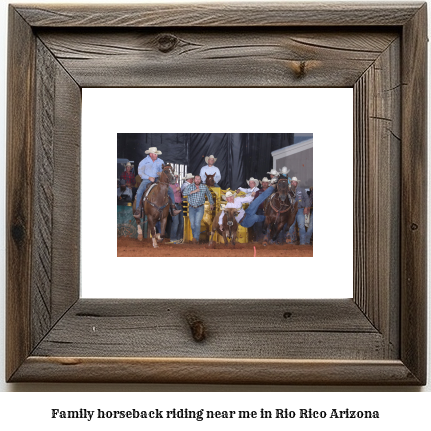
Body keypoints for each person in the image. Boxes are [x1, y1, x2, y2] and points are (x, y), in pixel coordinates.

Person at [134, 147, 181, 217]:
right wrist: (149, 177)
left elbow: (163, 171)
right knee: (139, 191)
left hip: (158, 179)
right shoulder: (143, 162)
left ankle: (173, 208)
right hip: (147, 180)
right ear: (150, 154)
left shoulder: (160, 161)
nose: (157, 155)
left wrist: (160, 173)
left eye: (157, 154)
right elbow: (140, 172)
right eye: (155, 154)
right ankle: (138, 210)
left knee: (170, 190)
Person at [182, 175, 214, 243]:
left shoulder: (204, 187)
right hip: (191, 207)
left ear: (200, 180)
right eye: (196, 179)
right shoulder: (190, 186)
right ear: (194, 180)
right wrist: (193, 191)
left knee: (197, 223)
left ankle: (196, 238)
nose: (197, 180)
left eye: (199, 179)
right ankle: (195, 237)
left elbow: (209, 195)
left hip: (200, 207)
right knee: (192, 224)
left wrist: (211, 203)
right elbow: (184, 193)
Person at [287, 176, 311, 245]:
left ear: (297, 183)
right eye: (292, 182)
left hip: (300, 210)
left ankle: (302, 242)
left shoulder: (302, 190)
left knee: (301, 226)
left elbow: (307, 199)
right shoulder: (288, 191)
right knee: (291, 226)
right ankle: (291, 242)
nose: (293, 183)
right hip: (291, 211)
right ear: (291, 183)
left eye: (295, 182)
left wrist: (306, 207)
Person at [252, 177, 271, 242]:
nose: (265, 184)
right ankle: (259, 239)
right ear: (262, 183)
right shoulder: (258, 192)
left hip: (269, 211)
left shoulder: (271, 192)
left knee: (268, 225)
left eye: (266, 183)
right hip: (260, 210)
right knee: (259, 224)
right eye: (264, 183)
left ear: (268, 184)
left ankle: (266, 240)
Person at [169, 176, 184, 244]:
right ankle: (173, 238)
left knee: (181, 222)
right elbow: (168, 193)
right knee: (176, 222)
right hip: (173, 205)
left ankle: (179, 238)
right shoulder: (168, 185)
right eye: (174, 177)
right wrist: (176, 190)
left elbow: (180, 195)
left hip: (179, 204)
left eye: (176, 177)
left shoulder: (177, 184)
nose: (175, 178)